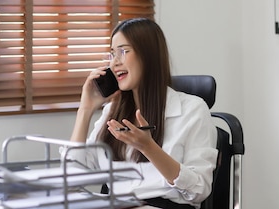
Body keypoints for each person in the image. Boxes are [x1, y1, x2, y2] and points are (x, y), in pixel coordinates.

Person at [68, 18, 218, 209]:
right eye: (112, 54)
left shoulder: (193, 110)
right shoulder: (112, 112)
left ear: (148, 56)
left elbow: (198, 190)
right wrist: (85, 110)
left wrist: (149, 147)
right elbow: (72, 178)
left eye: (123, 51)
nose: (114, 63)